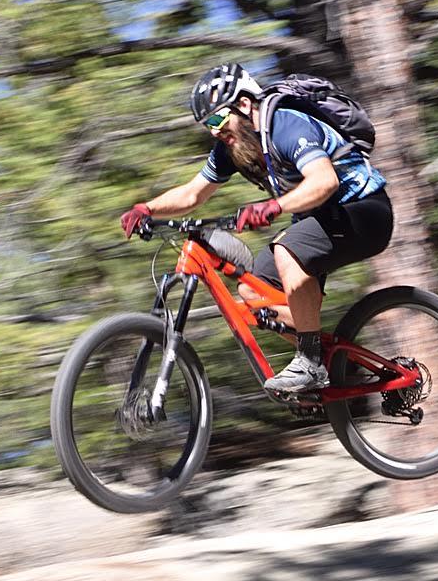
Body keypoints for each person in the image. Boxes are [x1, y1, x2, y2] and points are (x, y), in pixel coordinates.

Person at [118, 63, 394, 394]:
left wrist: (274, 205)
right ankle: (333, 362)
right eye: (207, 125)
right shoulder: (231, 148)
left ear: (244, 105)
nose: (214, 131)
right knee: (254, 293)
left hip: (364, 211)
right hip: (320, 223)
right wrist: (146, 208)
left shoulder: (285, 125)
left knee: (287, 251)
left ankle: (309, 364)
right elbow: (193, 193)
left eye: (217, 119)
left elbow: (325, 180)